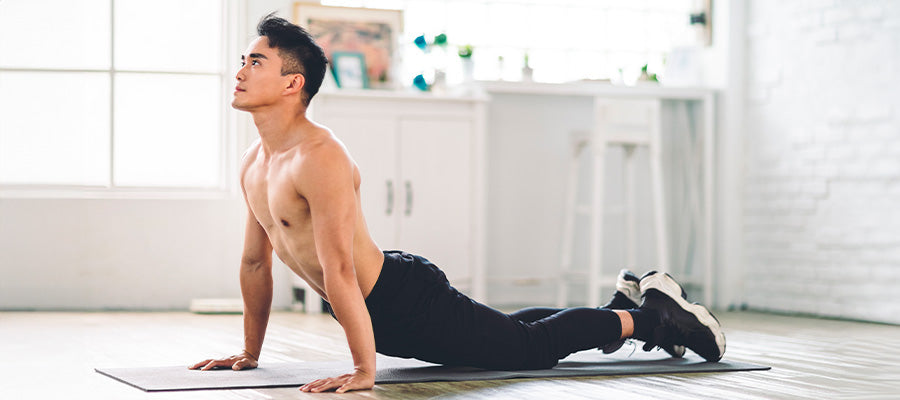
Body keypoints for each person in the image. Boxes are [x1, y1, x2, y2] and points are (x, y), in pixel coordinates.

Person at [190, 14, 725, 394]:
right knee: (511, 334)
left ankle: (652, 319)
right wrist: (250, 353)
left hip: (402, 301)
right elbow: (255, 263)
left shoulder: (320, 156)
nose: (240, 71)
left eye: (255, 62)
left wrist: (363, 369)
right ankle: (622, 310)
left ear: (292, 83)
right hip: (380, 305)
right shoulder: (254, 161)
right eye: (243, 60)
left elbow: (338, 270)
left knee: (531, 351)